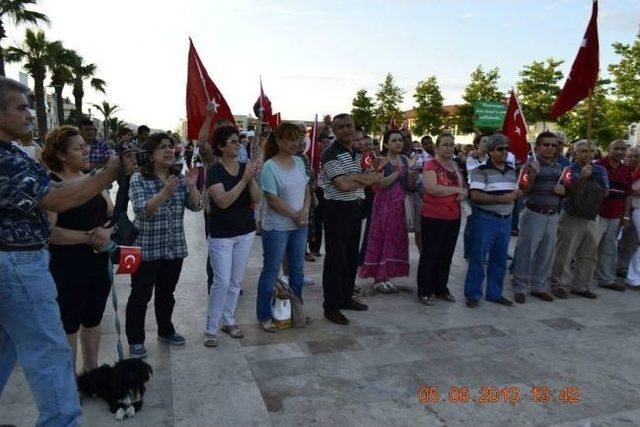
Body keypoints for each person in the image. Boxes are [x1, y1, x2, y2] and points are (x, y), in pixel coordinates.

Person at [0, 77, 134, 426]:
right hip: (19, 264)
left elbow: (96, 207)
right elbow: (56, 199)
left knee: (7, 349)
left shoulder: (13, 152)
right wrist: (111, 172)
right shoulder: (4, 159)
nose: (29, 114)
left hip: (27, 262)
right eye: (21, 107)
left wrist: (104, 228)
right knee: (51, 351)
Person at [42, 125, 114, 376]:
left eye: (86, 146)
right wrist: (87, 238)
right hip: (68, 265)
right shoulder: (52, 185)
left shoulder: (94, 180)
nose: (87, 151)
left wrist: (107, 232)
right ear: (61, 155)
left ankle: (91, 371)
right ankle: (69, 379)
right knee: (69, 324)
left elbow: (111, 216)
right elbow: (50, 232)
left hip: (98, 262)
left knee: (93, 319)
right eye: (79, 147)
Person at [126, 133, 202, 358]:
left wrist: (192, 186)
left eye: (171, 147)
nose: (169, 151)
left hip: (173, 247)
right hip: (147, 248)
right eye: (162, 148)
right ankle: (136, 340)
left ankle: (166, 330)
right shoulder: (139, 179)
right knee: (140, 296)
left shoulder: (177, 177)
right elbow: (142, 211)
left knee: (166, 293)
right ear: (150, 155)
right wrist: (165, 192)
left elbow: (196, 207)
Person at [320, 114, 382, 325]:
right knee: (335, 260)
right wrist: (361, 178)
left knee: (350, 258)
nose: (345, 130)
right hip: (337, 210)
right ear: (334, 131)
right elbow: (342, 185)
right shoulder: (330, 154)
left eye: (349, 126)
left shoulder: (359, 153)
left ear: (355, 128)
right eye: (340, 127)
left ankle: (345, 298)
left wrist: (353, 177)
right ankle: (331, 306)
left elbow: (375, 177)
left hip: (356, 209)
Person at [204, 126, 261, 346]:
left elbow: (256, 198)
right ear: (220, 146)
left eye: (238, 141)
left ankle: (228, 320)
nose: (238, 144)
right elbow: (223, 201)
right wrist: (244, 180)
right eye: (232, 141)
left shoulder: (245, 168)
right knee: (222, 281)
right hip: (222, 235)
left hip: (245, 231)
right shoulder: (215, 172)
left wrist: (251, 177)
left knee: (236, 281)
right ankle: (211, 328)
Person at [256, 123, 310, 331]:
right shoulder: (269, 166)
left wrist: (304, 212)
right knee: (271, 271)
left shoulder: (299, 161)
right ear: (278, 141)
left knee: (297, 270)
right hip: (277, 227)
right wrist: (295, 215)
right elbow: (272, 199)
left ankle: (296, 310)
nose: (296, 143)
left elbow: (306, 189)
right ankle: (264, 315)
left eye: (298, 138)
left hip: (300, 225)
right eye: (290, 139)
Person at [464, 133, 521, 308]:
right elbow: (475, 195)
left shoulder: (512, 171)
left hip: (505, 220)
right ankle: (473, 294)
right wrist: (501, 199)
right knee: (478, 258)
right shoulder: (481, 170)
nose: (504, 152)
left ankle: (494, 293)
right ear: (490, 151)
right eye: (500, 149)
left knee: (499, 259)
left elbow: (515, 193)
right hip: (485, 219)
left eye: (506, 148)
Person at [549, 140, 609, 300]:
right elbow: (564, 190)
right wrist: (581, 178)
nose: (587, 154)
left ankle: (581, 285)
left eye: (590, 151)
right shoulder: (568, 169)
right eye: (583, 151)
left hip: (592, 215)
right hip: (572, 215)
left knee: (588, 252)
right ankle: (559, 284)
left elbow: (605, 191)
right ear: (575, 153)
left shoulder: (600, 170)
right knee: (566, 252)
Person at [510, 132, 565, 304]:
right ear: (537, 147)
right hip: (534, 213)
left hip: (552, 214)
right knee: (526, 252)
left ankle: (539, 287)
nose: (549, 148)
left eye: (553, 145)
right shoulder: (529, 165)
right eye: (546, 144)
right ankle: (519, 287)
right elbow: (521, 192)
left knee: (546, 253)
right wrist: (532, 175)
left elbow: (565, 190)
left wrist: (564, 192)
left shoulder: (560, 168)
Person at [417, 132, 466, 305]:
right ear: (437, 147)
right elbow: (432, 188)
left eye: (452, 144)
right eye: (445, 144)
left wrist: (462, 192)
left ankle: (441, 288)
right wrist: (457, 191)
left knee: (446, 254)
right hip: (433, 216)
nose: (449, 147)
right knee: (431, 253)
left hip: (453, 215)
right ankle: (425, 290)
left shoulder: (454, 165)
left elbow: (461, 187)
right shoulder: (430, 164)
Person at [359, 130, 411, 293]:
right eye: (394, 140)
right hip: (384, 205)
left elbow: (408, 185)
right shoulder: (381, 161)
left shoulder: (404, 159)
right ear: (386, 143)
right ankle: (378, 278)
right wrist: (397, 172)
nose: (398, 143)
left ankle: (387, 275)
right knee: (383, 238)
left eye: (400, 140)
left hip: (400, 205)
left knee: (395, 239)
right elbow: (379, 184)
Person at [594, 139, 632, 292]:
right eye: (616, 148)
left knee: (609, 249)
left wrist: (626, 216)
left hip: (616, 216)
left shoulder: (625, 170)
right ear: (609, 149)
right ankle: (581, 279)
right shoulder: (598, 166)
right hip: (597, 214)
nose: (620, 152)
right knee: (589, 248)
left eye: (623, 149)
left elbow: (627, 195)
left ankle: (606, 279)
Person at [617, 147, 640, 277]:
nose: (633, 159)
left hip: (636, 210)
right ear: (625, 157)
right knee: (614, 240)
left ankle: (623, 266)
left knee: (631, 241)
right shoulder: (620, 171)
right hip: (619, 210)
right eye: (630, 156)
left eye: (637, 156)